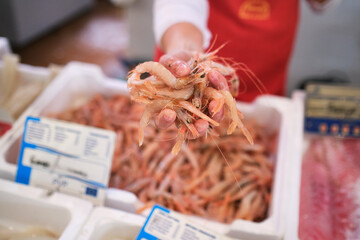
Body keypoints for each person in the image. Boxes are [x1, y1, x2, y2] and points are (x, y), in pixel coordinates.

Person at [151, 0, 333, 136]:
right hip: (194, 53)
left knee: (260, 136)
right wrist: (185, 48)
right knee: (176, 130)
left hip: (266, 89)